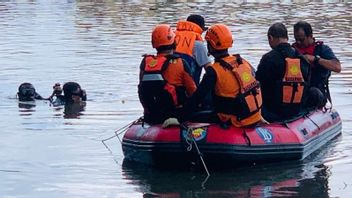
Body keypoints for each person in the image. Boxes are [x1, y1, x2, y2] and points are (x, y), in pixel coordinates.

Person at [185, 24, 263, 127]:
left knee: (194, 115)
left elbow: (197, 98)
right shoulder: (243, 62)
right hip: (253, 115)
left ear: (211, 45)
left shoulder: (213, 71)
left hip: (233, 119)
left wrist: (179, 117)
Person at [138, 24, 197, 125]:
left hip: (152, 116)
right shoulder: (180, 63)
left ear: (154, 43)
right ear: (174, 41)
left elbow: (142, 88)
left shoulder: (145, 63)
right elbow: (193, 92)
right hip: (176, 115)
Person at [256, 22, 310, 122]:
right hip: (297, 111)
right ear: (287, 37)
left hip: (273, 113)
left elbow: (259, 86)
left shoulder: (268, 59)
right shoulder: (301, 58)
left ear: (270, 38)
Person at [292, 21, 341, 107]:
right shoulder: (292, 51)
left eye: (302, 39)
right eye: (296, 39)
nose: (299, 42)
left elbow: (337, 67)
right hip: (297, 92)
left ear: (310, 36)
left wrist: (316, 59)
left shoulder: (322, 49)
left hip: (318, 91)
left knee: (313, 92)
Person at [174, 14, 212, 85]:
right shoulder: (198, 45)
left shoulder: (172, 39)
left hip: (169, 88)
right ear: (200, 29)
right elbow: (210, 71)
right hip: (189, 90)